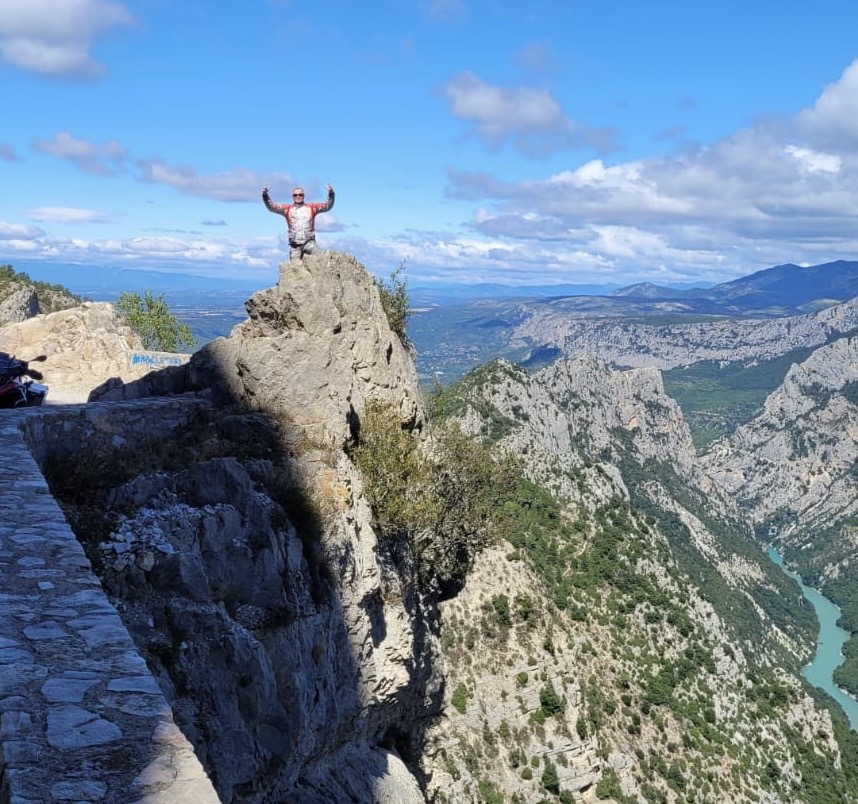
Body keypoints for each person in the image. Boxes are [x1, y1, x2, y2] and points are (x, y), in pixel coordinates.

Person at [262, 183, 335, 260]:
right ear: (292, 196)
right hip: (295, 246)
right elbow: (272, 207)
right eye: (295, 195)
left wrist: (331, 194)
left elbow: (327, 206)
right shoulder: (287, 209)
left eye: (300, 195)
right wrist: (265, 196)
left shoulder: (311, 208)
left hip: (309, 243)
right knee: (294, 266)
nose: (298, 196)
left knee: (321, 258)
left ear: (303, 196)